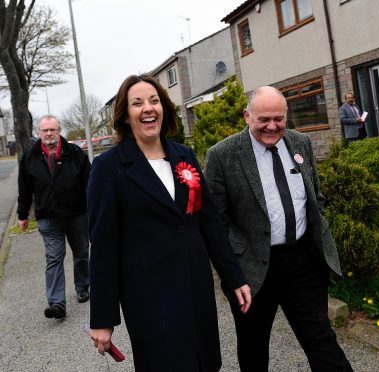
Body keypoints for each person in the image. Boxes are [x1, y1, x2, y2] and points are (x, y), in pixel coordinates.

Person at [86, 74, 251, 371]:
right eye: (137, 103)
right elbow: (102, 247)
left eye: (154, 100)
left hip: (195, 288)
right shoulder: (108, 168)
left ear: (164, 108)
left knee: (206, 362)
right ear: (125, 116)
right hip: (150, 299)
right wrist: (102, 319)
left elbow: (210, 223)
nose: (148, 108)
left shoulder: (184, 155)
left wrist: (234, 276)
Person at [205, 86, 353, 372]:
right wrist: (232, 275)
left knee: (321, 340)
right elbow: (216, 223)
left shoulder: (301, 143)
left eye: (279, 119)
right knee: (253, 348)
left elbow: (316, 198)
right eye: (263, 120)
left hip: (303, 262)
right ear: (247, 116)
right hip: (252, 270)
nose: (272, 126)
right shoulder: (222, 155)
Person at [17, 115, 91, 320]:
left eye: (53, 129)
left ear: (59, 131)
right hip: (48, 218)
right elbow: (24, 189)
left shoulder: (75, 153)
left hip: (76, 214)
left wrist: (94, 208)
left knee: (82, 253)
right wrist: (22, 215)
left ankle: (83, 286)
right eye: (45, 130)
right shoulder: (30, 157)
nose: (49, 133)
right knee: (53, 258)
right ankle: (57, 304)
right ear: (39, 133)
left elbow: (90, 182)